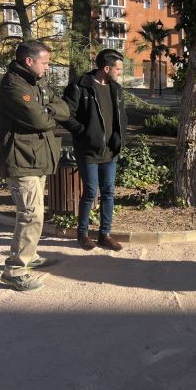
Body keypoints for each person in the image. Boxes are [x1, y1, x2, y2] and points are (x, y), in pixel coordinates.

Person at [0, 40, 70, 291]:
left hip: (36, 158)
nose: (48, 67)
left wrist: (47, 109)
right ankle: (15, 269)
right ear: (29, 61)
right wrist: (47, 113)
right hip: (21, 159)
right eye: (45, 62)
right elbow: (39, 120)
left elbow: (63, 108)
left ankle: (30, 255)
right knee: (30, 214)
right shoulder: (13, 85)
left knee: (34, 212)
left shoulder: (36, 82)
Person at [62, 49, 127, 252]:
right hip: (88, 151)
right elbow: (66, 115)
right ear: (106, 68)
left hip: (110, 152)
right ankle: (82, 234)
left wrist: (120, 137)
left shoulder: (116, 89)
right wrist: (83, 132)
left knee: (108, 192)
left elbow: (121, 117)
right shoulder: (80, 86)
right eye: (118, 69)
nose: (120, 72)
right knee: (90, 192)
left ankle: (104, 234)